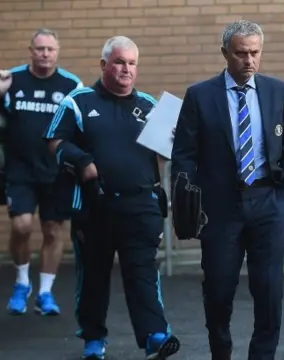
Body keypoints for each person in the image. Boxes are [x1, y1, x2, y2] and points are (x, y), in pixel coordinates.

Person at [171, 20, 284, 360]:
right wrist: (190, 197)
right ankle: (222, 353)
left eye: (255, 53)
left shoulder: (277, 90)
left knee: (269, 289)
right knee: (218, 289)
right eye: (241, 53)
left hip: (268, 202)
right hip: (220, 206)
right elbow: (183, 154)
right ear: (225, 53)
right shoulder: (200, 95)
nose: (249, 60)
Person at [43, 35, 179, 360]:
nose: (126, 69)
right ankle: (93, 339)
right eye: (119, 62)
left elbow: (168, 152)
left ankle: (155, 337)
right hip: (95, 205)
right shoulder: (78, 101)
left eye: (132, 63)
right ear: (104, 64)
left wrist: (180, 140)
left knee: (143, 272)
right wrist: (82, 161)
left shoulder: (149, 105)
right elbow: (53, 142)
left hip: (142, 204)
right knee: (93, 275)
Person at [0, 28, 83, 316]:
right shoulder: (13, 79)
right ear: (31, 50)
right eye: (39, 49)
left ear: (57, 51)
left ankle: (45, 293)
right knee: (21, 226)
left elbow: (82, 124)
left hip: (56, 171)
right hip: (20, 169)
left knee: (52, 230)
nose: (45, 54)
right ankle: (22, 283)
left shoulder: (71, 84)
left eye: (50, 49)